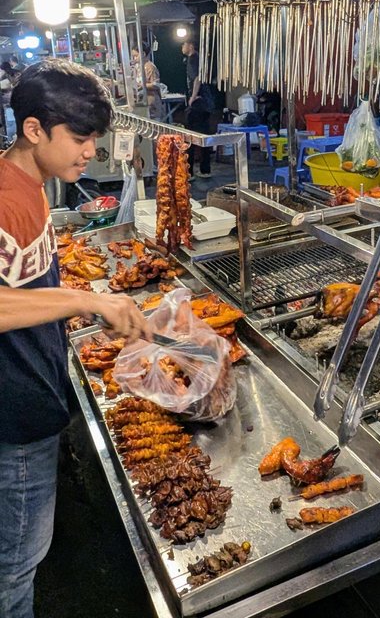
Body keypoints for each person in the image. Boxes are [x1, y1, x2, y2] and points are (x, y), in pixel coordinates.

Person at [0, 59, 150, 617]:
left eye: (95, 140)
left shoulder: (34, 185)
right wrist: (89, 301)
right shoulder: (5, 200)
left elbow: (28, 287)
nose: (91, 152)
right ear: (34, 129)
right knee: (14, 568)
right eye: (80, 138)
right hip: (14, 418)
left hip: (36, 391)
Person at [187, 77, 224, 178]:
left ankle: (189, 173)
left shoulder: (194, 68)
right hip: (207, 105)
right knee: (205, 138)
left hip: (198, 105)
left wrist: (193, 97)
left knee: (190, 139)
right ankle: (205, 171)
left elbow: (198, 78)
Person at [131, 43, 163, 121]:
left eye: (136, 56)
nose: (134, 58)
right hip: (143, 102)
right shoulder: (137, 67)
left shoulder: (150, 67)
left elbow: (156, 84)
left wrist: (142, 85)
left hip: (152, 104)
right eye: (133, 56)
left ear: (143, 54)